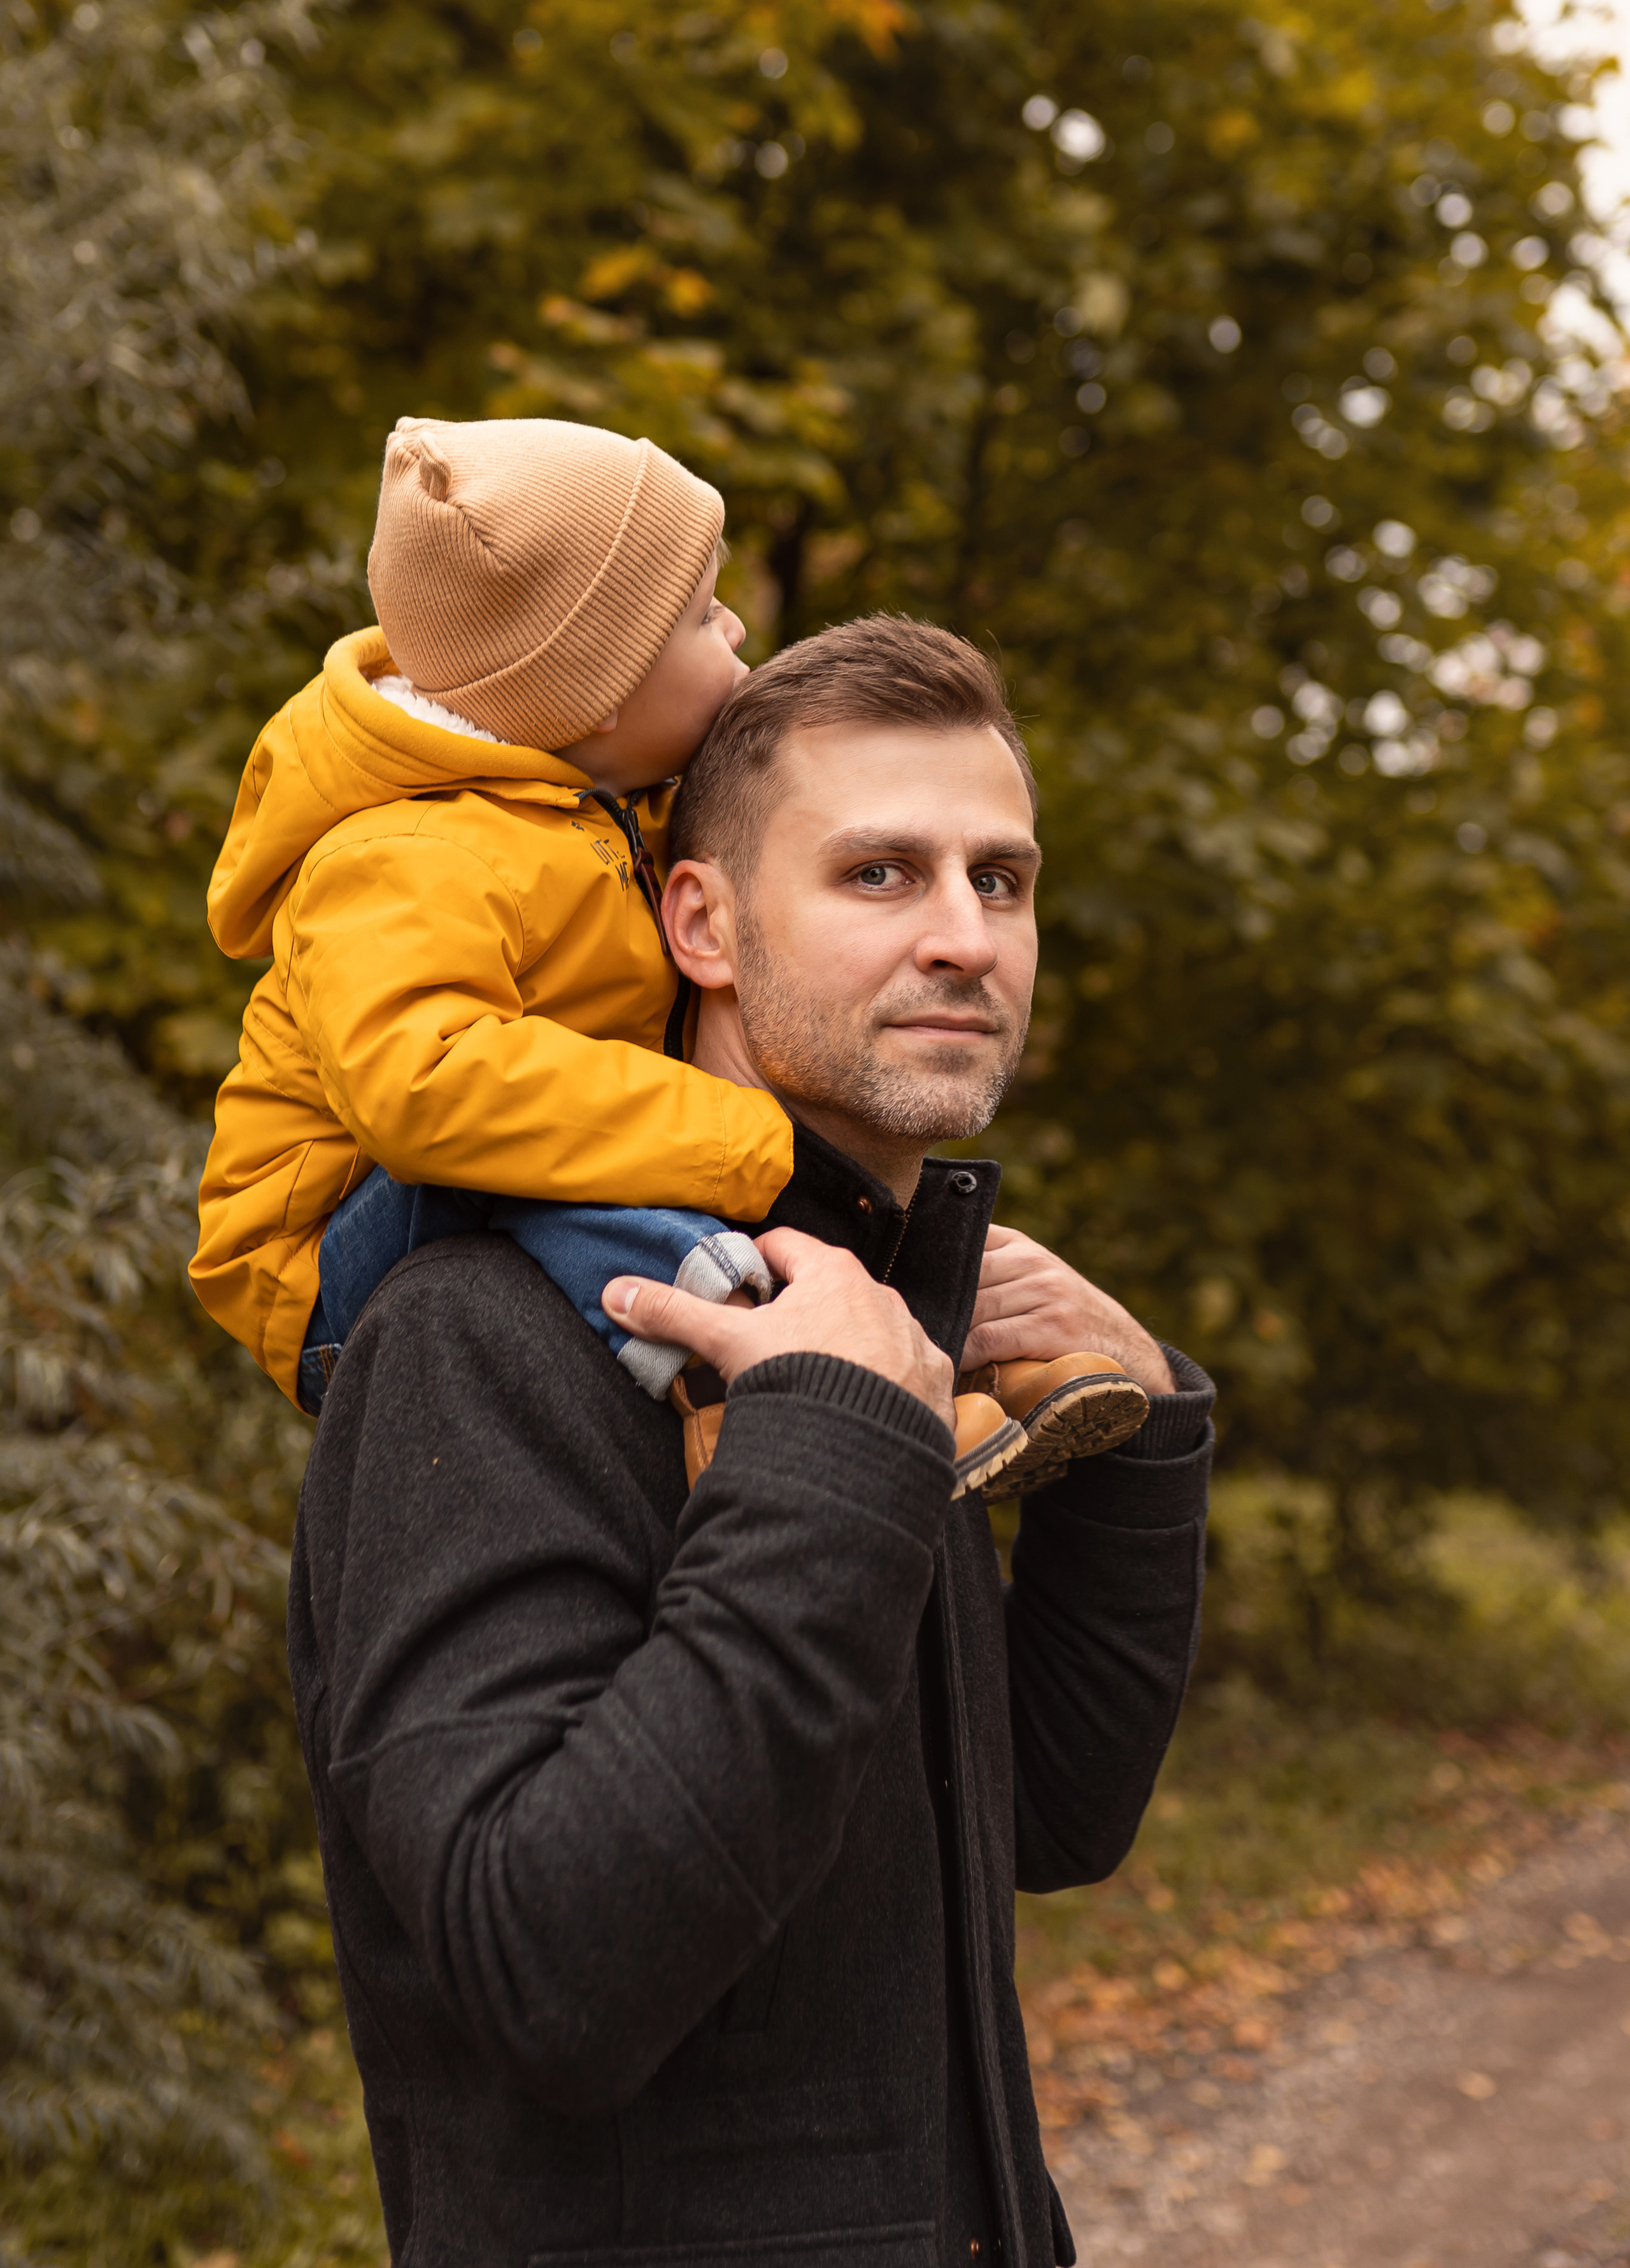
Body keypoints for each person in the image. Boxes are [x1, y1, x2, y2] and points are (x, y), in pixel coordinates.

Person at [287, 614, 1216, 2267]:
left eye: (1000, 882)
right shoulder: (483, 1334)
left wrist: (1140, 1439)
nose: (963, 938)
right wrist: (830, 1457)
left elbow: (1047, 1824)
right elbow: (542, 1975)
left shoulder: (850, 1321)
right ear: (698, 921)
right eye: (881, 875)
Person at [191, 416, 1148, 1494]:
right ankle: (759, 1389)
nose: (736, 624)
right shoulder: (403, 853)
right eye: (702, 613)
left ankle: (951, 1344)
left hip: (491, 1149)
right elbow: (428, 1090)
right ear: (594, 690)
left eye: (998, 881)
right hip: (336, 1247)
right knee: (584, 1174)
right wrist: (742, 1135)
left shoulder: (590, 811)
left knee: (726, 1170)